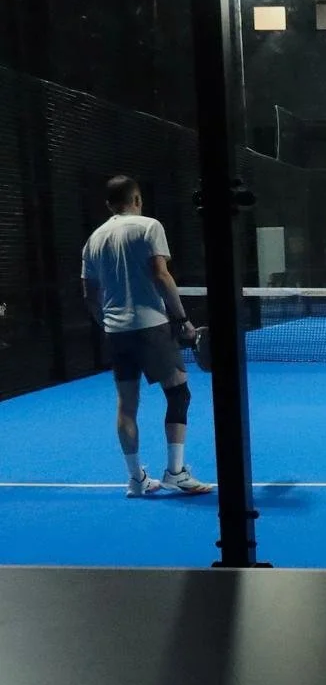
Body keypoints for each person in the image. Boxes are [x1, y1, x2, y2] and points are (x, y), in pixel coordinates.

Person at [81, 175, 211, 497]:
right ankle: (176, 473)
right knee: (178, 394)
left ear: (110, 204)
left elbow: (89, 294)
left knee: (126, 406)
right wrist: (182, 319)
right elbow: (161, 274)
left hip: (116, 332)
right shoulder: (149, 226)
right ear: (137, 199)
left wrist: (108, 324)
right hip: (152, 326)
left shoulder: (93, 240)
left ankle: (136, 480)